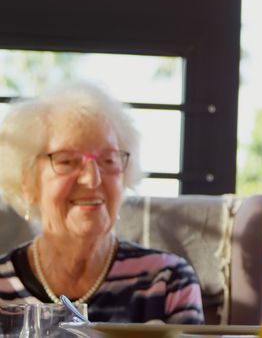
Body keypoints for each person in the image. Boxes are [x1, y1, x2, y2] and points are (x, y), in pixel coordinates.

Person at [0, 82, 204, 324]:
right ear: (27, 182)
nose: (92, 179)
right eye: (67, 161)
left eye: (108, 160)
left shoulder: (167, 281)